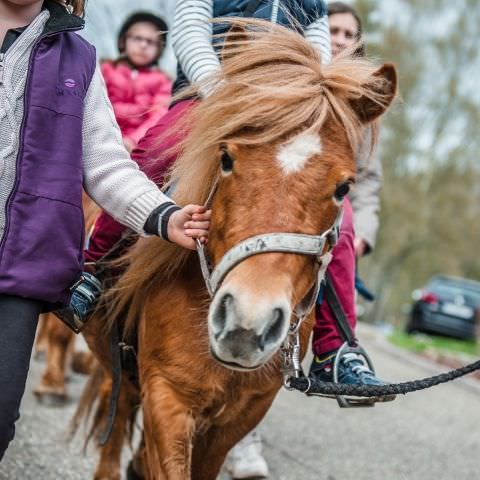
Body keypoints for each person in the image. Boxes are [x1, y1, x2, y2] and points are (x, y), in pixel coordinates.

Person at [0, 0, 210, 461]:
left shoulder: (77, 57)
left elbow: (104, 160)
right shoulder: (111, 68)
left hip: (16, 265)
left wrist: (164, 214)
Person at [101, 12, 172, 153]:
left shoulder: (162, 80)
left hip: (140, 147)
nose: (143, 45)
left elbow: (158, 115)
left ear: (160, 50)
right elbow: (96, 107)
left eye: (151, 42)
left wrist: (132, 141)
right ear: (123, 41)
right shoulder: (106, 70)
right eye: (137, 38)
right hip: (102, 139)